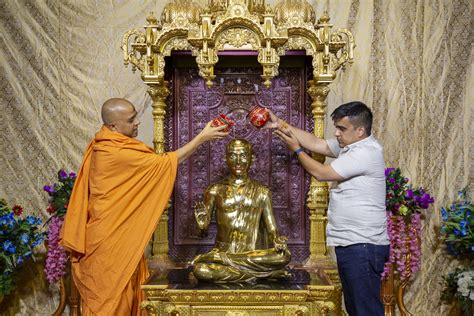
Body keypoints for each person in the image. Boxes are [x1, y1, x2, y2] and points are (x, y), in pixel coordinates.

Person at [60, 98, 228, 315]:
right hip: (108, 245)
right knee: (110, 305)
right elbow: (164, 163)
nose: (138, 122)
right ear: (113, 126)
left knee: (129, 299)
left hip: (122, 240)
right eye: (131, 120)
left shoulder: (108, 144)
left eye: (136, 116)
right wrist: (202, 138)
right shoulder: (112, 151)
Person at [265, 101, 389, 316]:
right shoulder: (351, 147)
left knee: (366, 310)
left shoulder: (366, 152)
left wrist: (296, 149)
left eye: (342, 129)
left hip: (364, 245)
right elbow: (318, 144)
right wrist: (279, 124)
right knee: (355, 308)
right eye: (337, 128)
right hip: (352, 243)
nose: (337, 133)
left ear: (360, 131)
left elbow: (322, 173)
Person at [192, 138, 291, 283]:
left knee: (284, 255)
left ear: (252, 158)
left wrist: (278, 241)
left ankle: (227, 262)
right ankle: (266, 274)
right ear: (226, 158)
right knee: (201, 270)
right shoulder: (215, 190)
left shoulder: (262, 192)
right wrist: (201, 225)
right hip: (226, 253)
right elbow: (202, 232)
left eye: (243, 156)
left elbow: (272, 229)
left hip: (251, 254)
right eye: (232, 156)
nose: (238, 161)